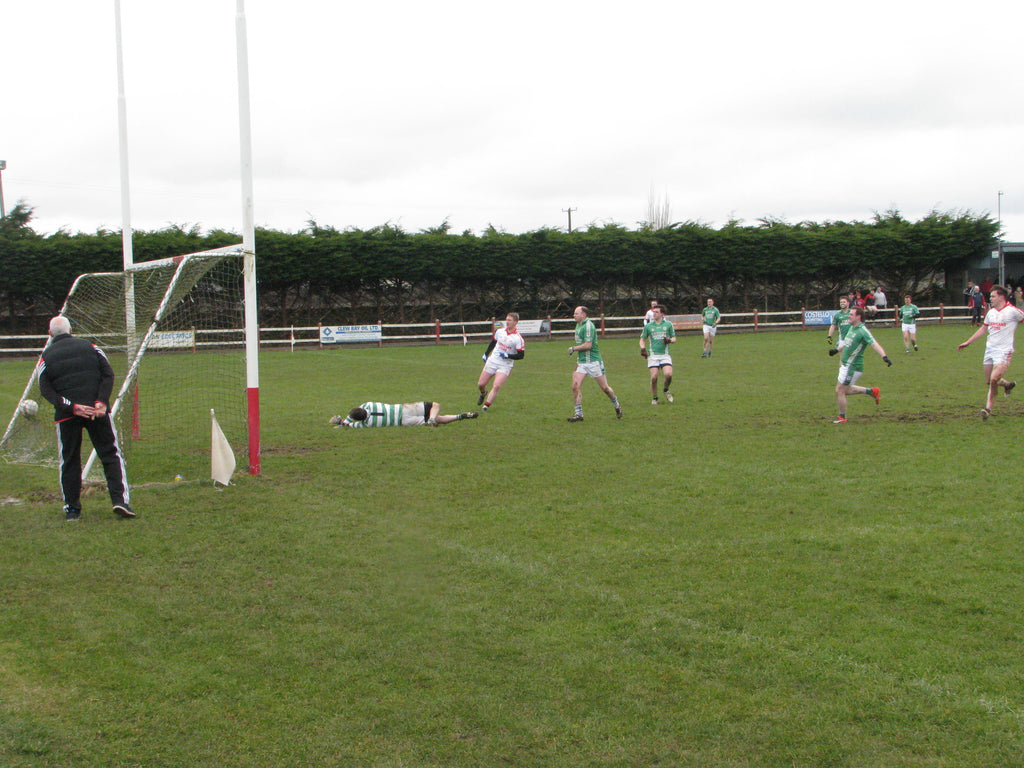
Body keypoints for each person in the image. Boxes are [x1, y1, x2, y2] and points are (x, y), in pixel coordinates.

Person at [37, 315, 134, 521]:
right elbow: (108, 374)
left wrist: (71, 407)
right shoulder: (91, 347)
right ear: (71, 330)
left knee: (70, 460)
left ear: (50, 334)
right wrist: (101, 401)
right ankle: (120, 501)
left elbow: (46, 390)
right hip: (97, 412)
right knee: (110, 454)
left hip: (66, 417)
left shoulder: (46, 356)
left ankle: (72, 509)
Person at [957, 285, 1023, 421]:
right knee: (990, 381)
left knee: (994, 379)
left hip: (1004, 351)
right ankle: (1008, 385)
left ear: (1001, 297)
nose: (990, 298)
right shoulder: (991, 312)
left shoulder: (1013, 311)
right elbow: (983, 329)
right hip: (990, 350)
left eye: (993, 296)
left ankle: (987, 410)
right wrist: (968, 342)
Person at [832, 307, 891, 423]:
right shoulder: (852, 328)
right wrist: (837, 350)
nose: (849, 316)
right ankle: (872, 391)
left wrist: (884, 356)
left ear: (859, 317)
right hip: (846, 365)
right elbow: (848, 343)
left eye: (851, 314)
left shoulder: (862, 331)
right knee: (844, 390)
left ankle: (842, 417)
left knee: (840, 390)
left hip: (852, 366)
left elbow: (874, 344)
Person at [567, 305, 622, 422]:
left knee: (605, 388)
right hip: (582, 362)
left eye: (576, 313)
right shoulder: (578, 325)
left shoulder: (588, 326)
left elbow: (588, 345)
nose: (574, 315)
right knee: (575, 386)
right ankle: (579, 414)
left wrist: (574, 348)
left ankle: (616, 405)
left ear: (583, 315)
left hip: (593, 362)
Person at [476, 312, 525, 412]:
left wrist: (508, 356)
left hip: (505, 365)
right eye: (506, 319)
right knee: (481, 384)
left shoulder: (518, 338)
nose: (507, 322)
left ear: (515, 322)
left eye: (509, 320)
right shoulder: (500, 331)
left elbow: (521, 355)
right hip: (493, 361)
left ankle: (485, 407)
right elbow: (493, 343)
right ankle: (483, 393)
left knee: (497, 385)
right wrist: (486, 354)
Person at [329, 401, 477, 427]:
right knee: (435, 406)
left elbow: (350, 423)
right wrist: (345, 419)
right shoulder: (368, 404)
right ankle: (432, 418)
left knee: (439, 419)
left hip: (403, 422)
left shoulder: (366, 424)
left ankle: (459, 416)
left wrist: (342, 422)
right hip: (402, 409)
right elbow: (354, 412)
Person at [639, 304, 676, 404]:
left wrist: (669, 340)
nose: (653, 314)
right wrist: (643, 349)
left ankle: (665, 389)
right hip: (653, 356)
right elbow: (642, 339)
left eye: (656, 312)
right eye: (653, 312)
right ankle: (655, 398)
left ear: (662, 314)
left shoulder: (668, 324)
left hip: (665, 355)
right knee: (654, 377)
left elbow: (674, 338)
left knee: (668, 375)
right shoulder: (648, 326)